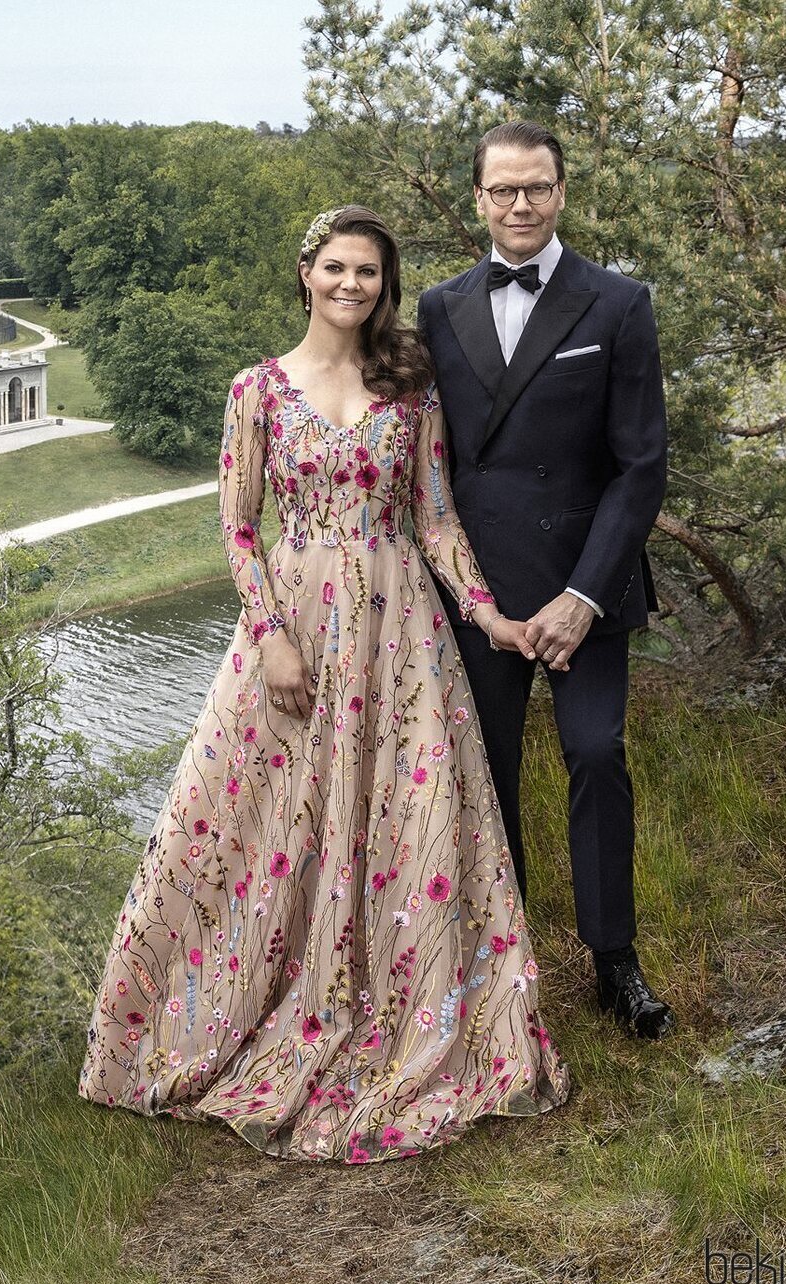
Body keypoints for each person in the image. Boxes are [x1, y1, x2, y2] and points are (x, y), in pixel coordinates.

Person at [79, 205, 570, 1164]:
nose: (352, 287)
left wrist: (487, 614)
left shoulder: (409, 384)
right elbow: (238, 527)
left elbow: (433, 521)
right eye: (337, 269)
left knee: (406, 816)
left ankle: (406, 1012)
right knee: (261, 827)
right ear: (306, 273)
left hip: (401, 634)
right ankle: (210, 1018)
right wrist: (269, 638)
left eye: (370, 275)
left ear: (384, 287)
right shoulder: (257, 389)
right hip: (296, 625)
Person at [417, 121, 674, 1040]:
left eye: (537, 188)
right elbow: (429, 458)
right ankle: (501, 963)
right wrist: (472, 600)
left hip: (584, 588)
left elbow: (639, 466)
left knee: (596, 755)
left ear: (560, 192)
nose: (520, 205)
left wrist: (584, 596)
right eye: (502, 191)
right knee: (484, 776)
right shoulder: (439, 309)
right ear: (478, 199)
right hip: (477, 591)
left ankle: (616, 964)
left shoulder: (616, 303)